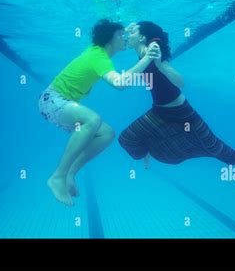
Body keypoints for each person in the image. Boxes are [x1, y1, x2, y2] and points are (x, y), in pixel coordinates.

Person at [39, 19, 160, 206]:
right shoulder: (99, 56)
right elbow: (120, 83)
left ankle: (70, 173)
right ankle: (58, 177)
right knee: (92, 120)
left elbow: (110, 35)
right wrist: (147, 58)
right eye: (120, 36)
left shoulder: (98, 52)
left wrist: (122, 28)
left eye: (125, 34)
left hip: (59, 103)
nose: (125, 38)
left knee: (107, 133)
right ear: (109, 39)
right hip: (51, 100)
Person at [119, 21, 235, 178]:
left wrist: (160, 64)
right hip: (159, 111)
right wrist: (133, 26)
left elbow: (180, 82)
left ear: (142, 37)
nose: (128, 35)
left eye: (132, 32)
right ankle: (145, 153)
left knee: (216, 148)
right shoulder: (142, 51)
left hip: (183, 113)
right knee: (127, 138)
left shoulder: (151, 50)